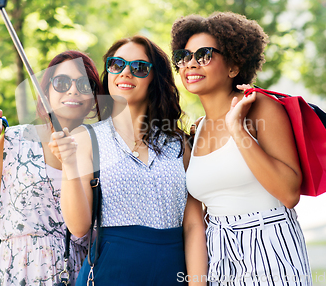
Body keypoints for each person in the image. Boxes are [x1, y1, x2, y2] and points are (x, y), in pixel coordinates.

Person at [49, 35, 208, 285]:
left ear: (156, 78)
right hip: (111, 273)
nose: (125, 72)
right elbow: (79, 227)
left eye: (140, 68)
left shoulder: (178, 144)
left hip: (172, 272)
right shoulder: (87, 139)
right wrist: (69, 165)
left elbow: (193, 227)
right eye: (116, 64)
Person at [171, 12, 312, 286]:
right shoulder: (196, 130)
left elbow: (289, 192)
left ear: (234, 66)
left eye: (204, 55)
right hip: (219, 252)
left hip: (269, 244)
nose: (191, 64)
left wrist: (237, 129)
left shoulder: (261, 108)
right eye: (184, 56)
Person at [0, 50, 102, 286]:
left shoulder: (99, 147)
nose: (73, 90)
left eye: (84, 83)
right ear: (45, 92)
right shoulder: (16, 139)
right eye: (61, 82)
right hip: (17, 272)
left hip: (74, 273)